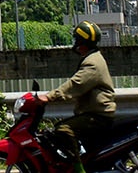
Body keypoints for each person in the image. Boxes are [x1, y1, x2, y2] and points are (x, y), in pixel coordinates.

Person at [41, 21, 116, 160]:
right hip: (93, 113)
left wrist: (49, 96)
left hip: (97, 116)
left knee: (63, 129)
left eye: (77, 40)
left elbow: (75, 85)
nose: (75, 43)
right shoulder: (93, 57)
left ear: (82, 42)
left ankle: (77, 166)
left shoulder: (92, 63)